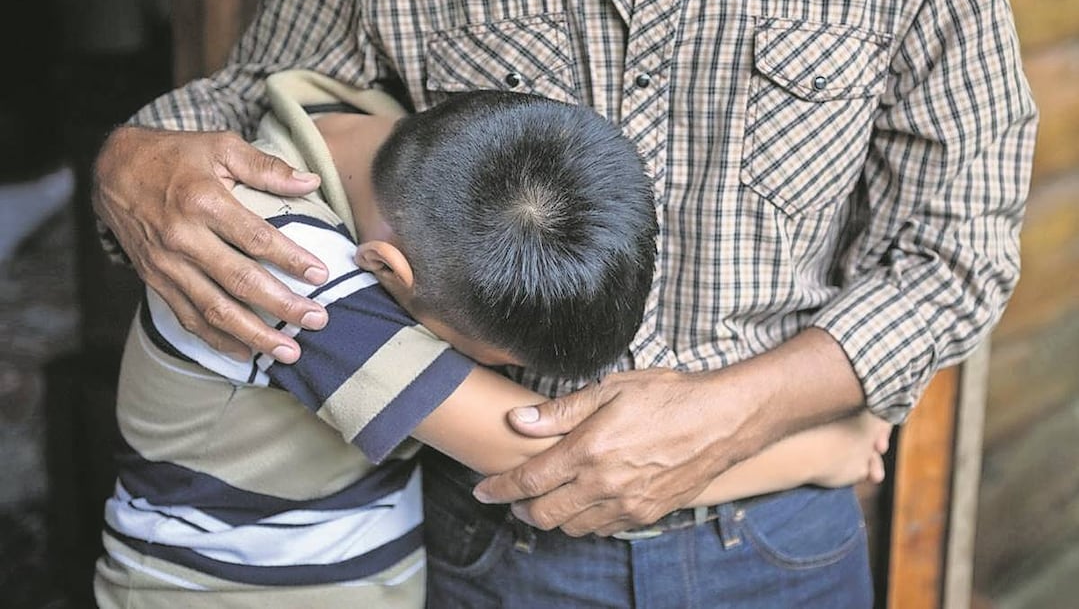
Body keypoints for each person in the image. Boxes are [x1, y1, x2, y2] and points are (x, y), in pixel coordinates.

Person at [91, 0, 1037, 606]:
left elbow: (957, 253)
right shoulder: (300, 274)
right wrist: (123, 158)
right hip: (488, 543)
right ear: (384, 270)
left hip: (780, 551)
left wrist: (744, 412)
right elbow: (248, 101)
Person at [94, 71, 891, 607]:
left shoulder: (363, 121)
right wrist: (825, 449)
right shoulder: (285, 271)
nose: (480, 371)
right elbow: (539, 458)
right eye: (482, 357)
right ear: (385, 269)